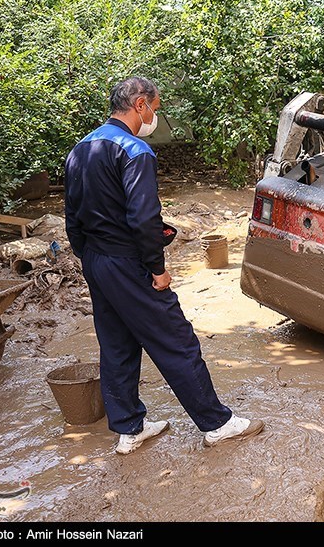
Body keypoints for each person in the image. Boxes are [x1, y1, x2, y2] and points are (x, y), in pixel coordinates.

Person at [64, 76, 264, 454]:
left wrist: (88, 256)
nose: (155, 116)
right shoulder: (135, 151)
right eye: (155, 109)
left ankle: (129, 429)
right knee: (176, 340)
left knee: (116, 343)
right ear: (140, 104)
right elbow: (143, 218)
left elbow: (71, 216)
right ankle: (216, 423)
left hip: (95, 259)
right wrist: (157, 268)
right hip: (128, 262)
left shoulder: (80, 149)